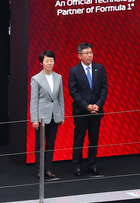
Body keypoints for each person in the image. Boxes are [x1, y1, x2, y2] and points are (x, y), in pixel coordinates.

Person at [68, 42, 107, 177]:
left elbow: (104, 88)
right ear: (79, 56)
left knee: (93, 139)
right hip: (81, 112)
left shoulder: (100, 68)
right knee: (79, 139)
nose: (90, 55)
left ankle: (92, 165)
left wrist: (99, 104)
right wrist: (86, 106)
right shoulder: (74, 71)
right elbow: (73, 92)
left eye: (91, 52)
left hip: (96, 110)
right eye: (86, 53)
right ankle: (77, 165)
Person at [30, 50, 64, 181]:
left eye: (51, 60)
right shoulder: (36, 79)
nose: (50, 63)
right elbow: (33, 101)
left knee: (51, 144)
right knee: (39, 145)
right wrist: (34, 119)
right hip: (41, 117)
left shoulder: (58, 77)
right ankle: (40, 170)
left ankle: (48, 169)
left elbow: (61, 98)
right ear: (41, 63)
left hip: (55, 115)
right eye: (47, 61)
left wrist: (61, 115)